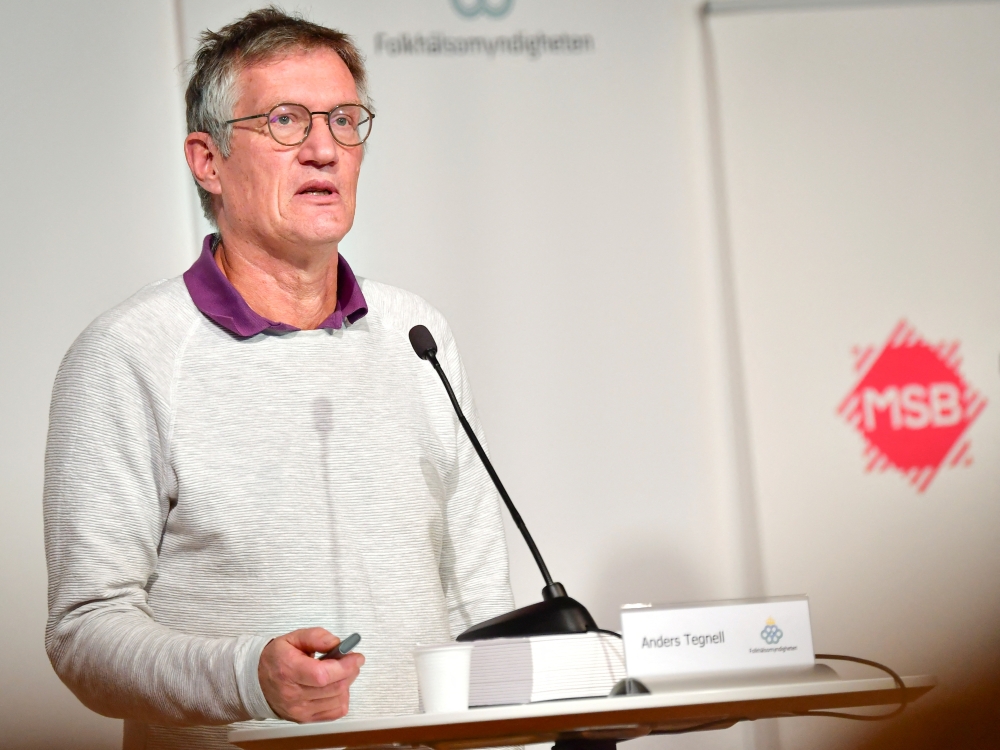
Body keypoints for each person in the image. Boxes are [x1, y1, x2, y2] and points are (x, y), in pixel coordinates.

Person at [43, 8, 514, 750]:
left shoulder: (418, 334)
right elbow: (84, 631)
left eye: (345, 121)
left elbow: (479, 599)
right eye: (287, 121)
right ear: (208, 160)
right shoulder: (127, 353)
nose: (325, 150)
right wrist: (247, 678)